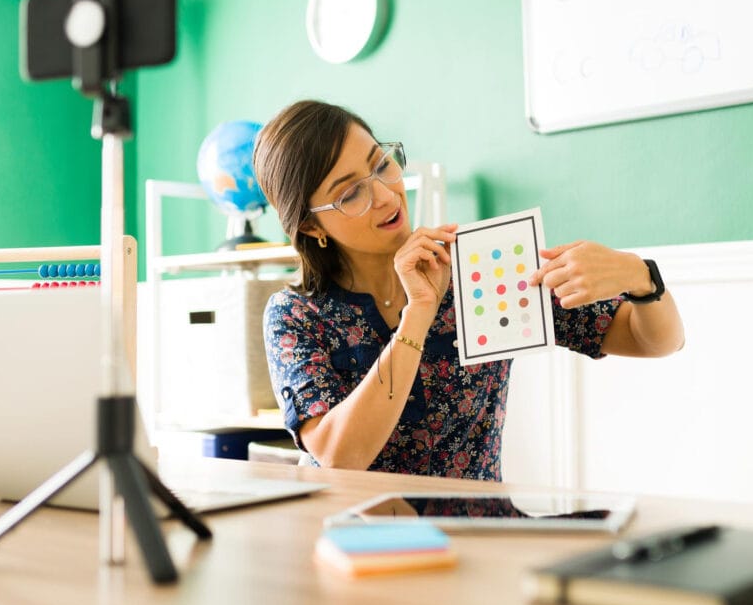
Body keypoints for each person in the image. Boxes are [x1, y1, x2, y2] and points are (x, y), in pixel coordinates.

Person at [253, 100, 684, 480]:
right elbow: (340, 456)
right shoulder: (295, 315)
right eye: (350, 193)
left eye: (382, 164)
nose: (386, 196)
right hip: (357, 545)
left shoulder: (484, 268)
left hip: (475, 536)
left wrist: (641, 277)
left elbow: (656, 340)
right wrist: (418, 313)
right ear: (310, 225)